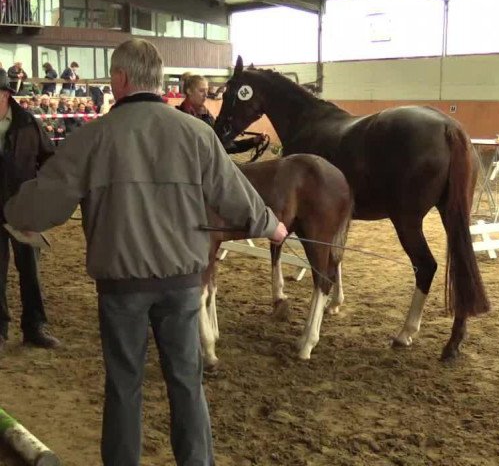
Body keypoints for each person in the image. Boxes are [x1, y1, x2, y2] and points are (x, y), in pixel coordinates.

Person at [4, 38, 288, 466]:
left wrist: (11, 207)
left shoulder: (93, 137)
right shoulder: (197, 134)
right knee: (186, 383)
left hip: (121, 288)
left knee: (124, 385)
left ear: (119, 79)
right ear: (157, 81)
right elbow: (236, 196)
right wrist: (273, 226)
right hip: (181, 286)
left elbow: (42, 206)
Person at [0, 69, 59, 352]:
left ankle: (34, 327)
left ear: (5, 94)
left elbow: (49, 160)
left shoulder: (27, 123)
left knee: (30, 271)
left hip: (23, 210)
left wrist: (40, 198)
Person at [177, 74, 266, 155]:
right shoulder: (179, 117)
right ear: (189, 91)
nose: (205, 95)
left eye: (207, 91)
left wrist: (253, 142)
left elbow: (221, 145)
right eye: (201, 91)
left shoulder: (207, 115)